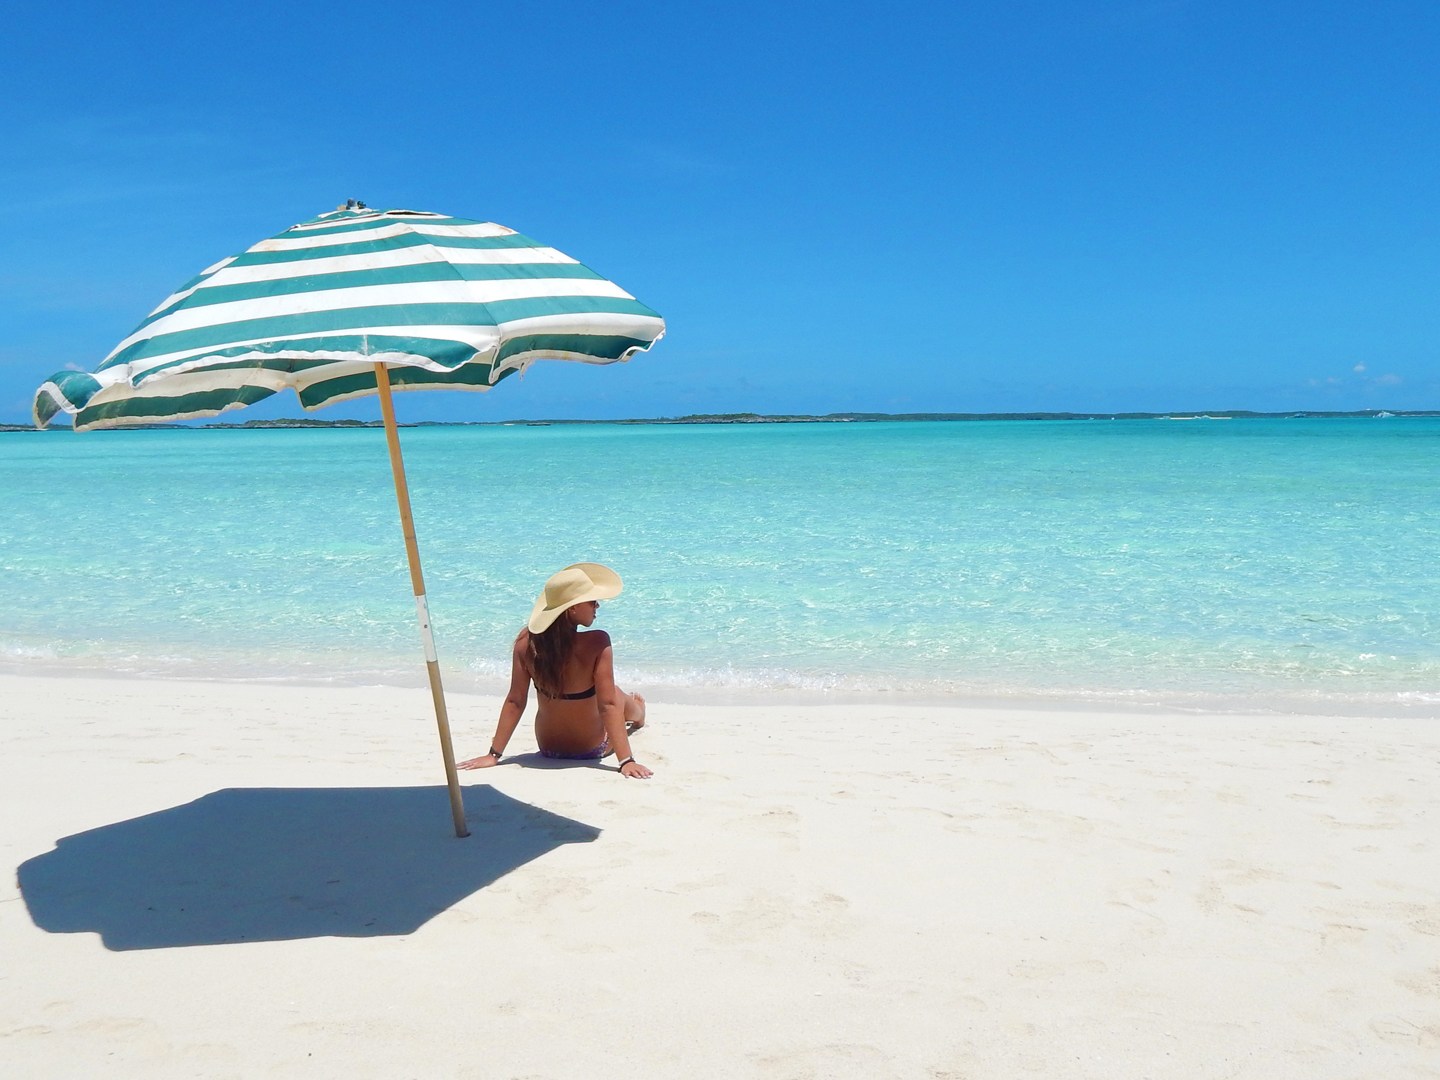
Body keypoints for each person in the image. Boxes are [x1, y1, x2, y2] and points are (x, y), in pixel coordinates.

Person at [458, 563, 651, 778]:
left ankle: (637, 711)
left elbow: (515, 700)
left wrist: (493, 755)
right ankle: (639, 714)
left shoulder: (526, 643)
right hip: (590, 749)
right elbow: (607, 705)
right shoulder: (598, 642)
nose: (597, 605)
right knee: (615, 694)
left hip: (548, 747)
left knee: (608, 694)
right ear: (573, 608)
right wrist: (626, 761)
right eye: (591, 601)